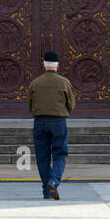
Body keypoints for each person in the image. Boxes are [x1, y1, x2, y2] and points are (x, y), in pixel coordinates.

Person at [28, 51, 75, 200]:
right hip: (58, 122)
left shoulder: (35, 82)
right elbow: (71, 104)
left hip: (39, 121)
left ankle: (46, 191)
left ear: (44, 65)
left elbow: (30, 104)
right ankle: (53, 181)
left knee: (42, 157)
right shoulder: (64, 82)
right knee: (60, 154)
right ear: (57, 65)